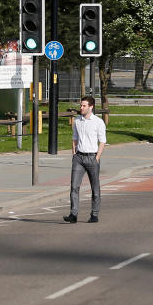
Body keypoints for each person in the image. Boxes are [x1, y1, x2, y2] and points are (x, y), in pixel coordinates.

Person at [63, 96, 106, 224]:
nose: (81, 108)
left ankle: (94, 214)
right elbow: (74, 137)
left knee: (95, 187)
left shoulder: (98, 122)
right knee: (74, 186)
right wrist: (74, 153)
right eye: (81, 105)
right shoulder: (77, 121)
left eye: (84, 106)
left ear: (91, 107)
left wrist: (97, 157)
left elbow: (102, 141)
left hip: (92, 157)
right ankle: (73, 214)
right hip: (79, 158)